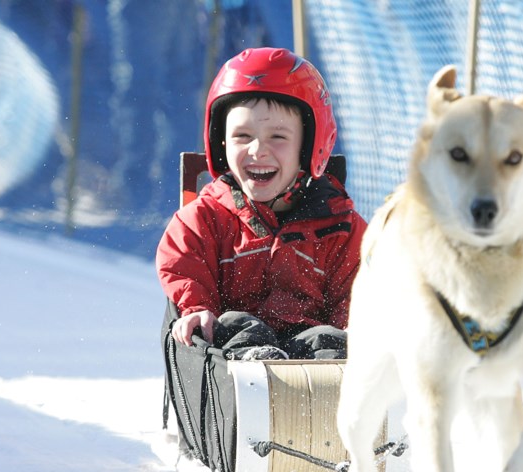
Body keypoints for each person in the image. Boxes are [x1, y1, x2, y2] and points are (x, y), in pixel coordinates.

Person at [156, 47, 366, 361]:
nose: (258, 151)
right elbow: (183, 267)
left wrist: (356, 327)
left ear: (309, 145)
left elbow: (358, 290)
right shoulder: (203, 220)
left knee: (331, 340)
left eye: (278, 137)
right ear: (221, 142)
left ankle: (320, 399)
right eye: (242, 136)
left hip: (313, 363)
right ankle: (258, 370)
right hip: (232, 363)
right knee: (237, 324)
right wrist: (197, 309)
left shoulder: (341, 227)